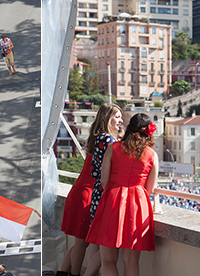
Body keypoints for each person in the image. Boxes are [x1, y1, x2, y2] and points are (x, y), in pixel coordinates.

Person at [86, 113, 158, 276]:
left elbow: (104, 180)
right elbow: (151, 188)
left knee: (108, 261)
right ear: (148, 131)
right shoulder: (152, 154)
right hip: (137, 205)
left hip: (112, 201)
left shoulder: (114, 148)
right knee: (131, 261)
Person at [56, 104, 123, 276]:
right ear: (108, 118)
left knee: (81, 241)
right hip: (88, 192)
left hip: (82, 190)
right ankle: (74, 274)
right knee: (82, 242)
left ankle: (63, 272)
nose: (121, 120)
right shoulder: (108, 140)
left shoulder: (97, 137)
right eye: (117, 116)